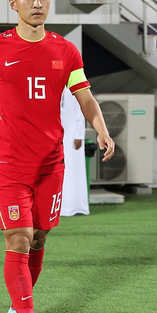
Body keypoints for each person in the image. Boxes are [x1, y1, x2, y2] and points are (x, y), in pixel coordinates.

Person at [0, 0, 115, 313]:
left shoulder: (66, 51)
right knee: (19, 238)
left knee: (40, 238)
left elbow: (85, 96)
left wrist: (101, 129)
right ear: (13, 3)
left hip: (51, 165)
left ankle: (17, 308)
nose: (37, 3)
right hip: (10, 165)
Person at [60, 87, 89, 216]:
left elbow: (82, 109)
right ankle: (61, 207)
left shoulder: (74, 86)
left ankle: (76, 206)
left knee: (73, 170)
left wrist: (79, 134)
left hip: (72, 133)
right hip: (57, 132)